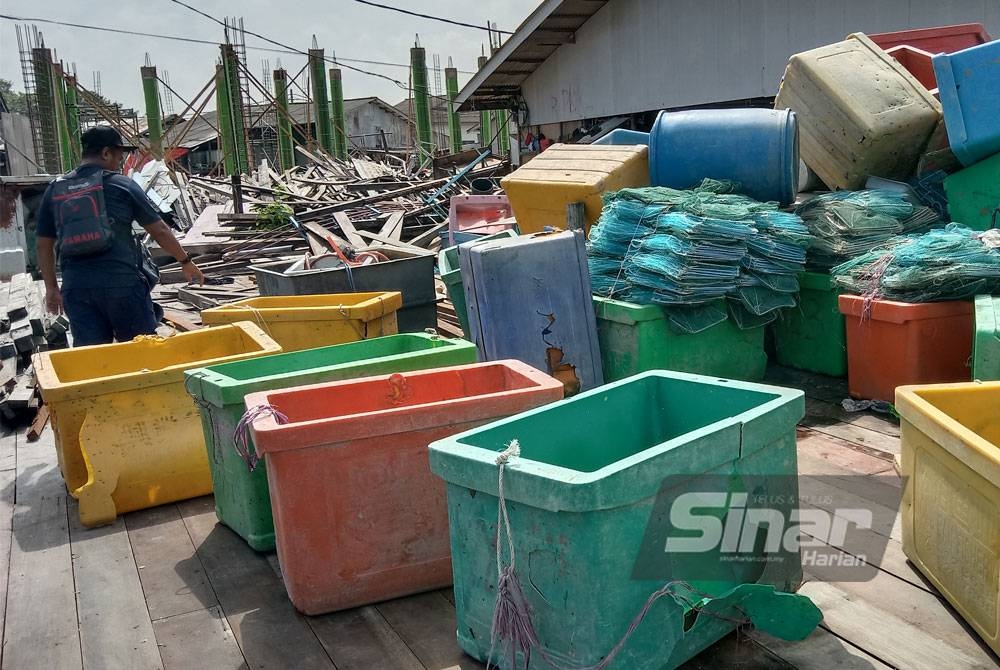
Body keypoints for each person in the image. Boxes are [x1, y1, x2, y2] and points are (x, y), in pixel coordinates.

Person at [36, 125, 205, 346]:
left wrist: (51, 288)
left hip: (77, 289)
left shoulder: (55, 190)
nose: (120, 162)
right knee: (141, 350)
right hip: (122, 285)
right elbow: (160, 230)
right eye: (118, 156)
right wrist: (185, 261)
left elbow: (43, 245)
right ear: (106, 153)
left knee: (92, 356)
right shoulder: (122, 185)